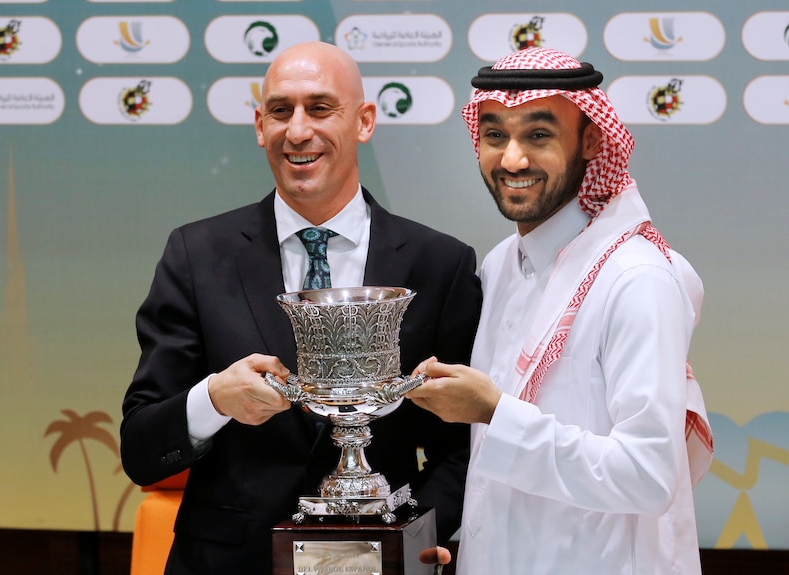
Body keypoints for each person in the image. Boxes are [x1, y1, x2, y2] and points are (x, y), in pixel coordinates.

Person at [119, 41, 482, 575]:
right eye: (280, 111)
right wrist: (213, 400)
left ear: (364, 122)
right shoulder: (197, 255)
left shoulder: (439, 264)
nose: (297, 131)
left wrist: (413, 534)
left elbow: (463, 448)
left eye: (320, 108)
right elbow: (141, 448)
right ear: (259, 125)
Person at [406, 47, 714, 574]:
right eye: (495, 135)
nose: (512, 159)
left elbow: (649, 474)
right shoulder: (503, 263)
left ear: (593, 140)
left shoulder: (636, 278)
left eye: (538, 135)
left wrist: (494, 413)